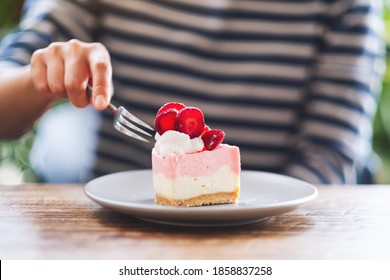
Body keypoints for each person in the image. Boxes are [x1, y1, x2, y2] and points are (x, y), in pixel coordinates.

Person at [0, 0, 386, 184]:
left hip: (268, 237)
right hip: (124, 234)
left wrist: (242, 218)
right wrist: (41, 79)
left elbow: (330, 156)